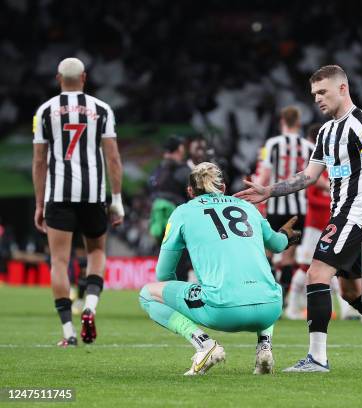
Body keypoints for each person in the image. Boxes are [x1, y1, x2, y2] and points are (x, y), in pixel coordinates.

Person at [236, 65, 362, 373]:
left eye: (322, 92)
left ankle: (317, 358)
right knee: (352, 292)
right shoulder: (326, 131)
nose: (317, 99)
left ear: (343, 89)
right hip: (342, 212)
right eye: (314, 94)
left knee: (316, 274)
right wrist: (268, 190)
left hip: (356, 213)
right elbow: (308, 176)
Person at [139, 162, 300, 375]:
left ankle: (205, 345)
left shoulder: (182, 213)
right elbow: (278, 245)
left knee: (147, 294)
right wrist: (286, 235)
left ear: (190, 191)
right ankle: (264, 348)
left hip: (223, 310)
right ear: (223, 188)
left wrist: (179, 296)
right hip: (271, 309)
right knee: (262, 281)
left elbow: (163, 275)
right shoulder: (247, 207)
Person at [32, 57, 124, 347]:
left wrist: (39, 204)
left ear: (58, 78)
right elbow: (113, 158)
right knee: (96, 251)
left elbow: (38, 161)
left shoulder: (45, 111)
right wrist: (117, 199)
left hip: (58, 195)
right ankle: (90, 306)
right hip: (93, 194)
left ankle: (68, 333)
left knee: (59, 260)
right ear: (84, 77)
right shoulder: (102, 109)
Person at [285, 123, 357, 321]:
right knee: (304, 266)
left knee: (334, 267)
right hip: (315, 225)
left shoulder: (334, 165)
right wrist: (332, 198)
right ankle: (291, 307)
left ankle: (347, 310)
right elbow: (312, 199)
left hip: (331, 225)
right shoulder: (314, 168)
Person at [257, 106, 314, 304]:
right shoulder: (308, 146)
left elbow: (264, 174)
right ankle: (282, 298)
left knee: (268, 252)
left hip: (275, 208)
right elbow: (314, 177)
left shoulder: (272, 144)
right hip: (299, 210)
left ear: (282, 121)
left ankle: (270, 295)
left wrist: (256, 193)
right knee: (289, 257)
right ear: (299, 122)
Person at [148, 136, 192, 281]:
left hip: (159, 224)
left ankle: (165, 294)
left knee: (165, 261)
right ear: (180, 149)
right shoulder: (184, 171)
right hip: (179, 223)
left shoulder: (157, 171)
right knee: (181, 262)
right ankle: (181, 296)